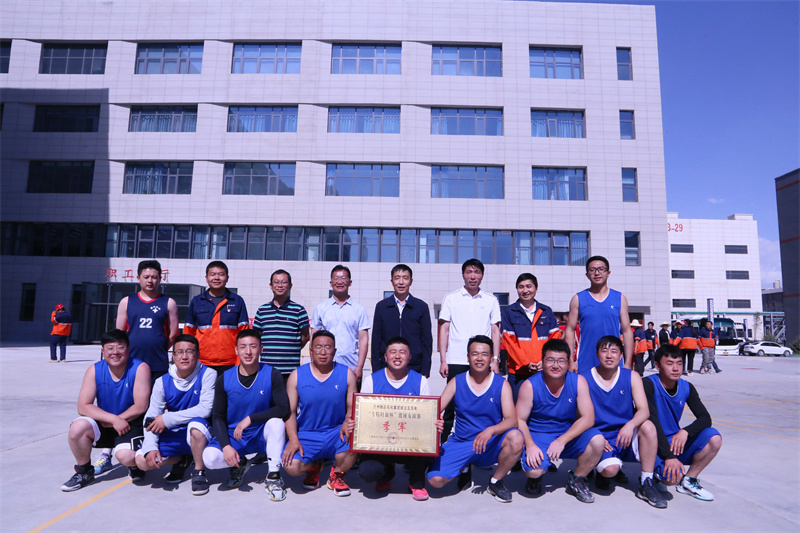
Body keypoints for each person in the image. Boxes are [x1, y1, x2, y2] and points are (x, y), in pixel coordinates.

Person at [427, 335, 522, 503]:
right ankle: (464, 468)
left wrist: (491, 430)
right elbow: (434, 410)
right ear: (467, 357)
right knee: (435, 481)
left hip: (490, 442)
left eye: (484, 354)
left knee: (516, 437)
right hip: (462, 441)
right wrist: (436, 421)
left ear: (491, 358)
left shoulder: (501, 384)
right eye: (474, 354)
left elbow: (511, 420)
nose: (479, 358)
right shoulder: (457, 381)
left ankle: (496, 481)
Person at [202, 329, 290, 500]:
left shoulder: (272, 374)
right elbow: (218, 416)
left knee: (277, 423)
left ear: (261, 349)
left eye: (253, 346)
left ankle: (273, 477)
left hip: (261, 434)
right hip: (235, 435)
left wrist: (251, 418)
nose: (248, 351)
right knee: (210, 459)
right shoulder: (224, 378)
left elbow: (283, 408)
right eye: (243, 347)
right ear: (236, 350)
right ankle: (240, 463)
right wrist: (226, 447)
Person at [515, 339, 604, 503]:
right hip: (539, 434)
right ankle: (535, 477)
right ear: (542, 361)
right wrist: (530, 445)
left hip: (568, 434)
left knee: (597, 440)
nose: (555, 365)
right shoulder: (529, 386)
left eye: (561, 361)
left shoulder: (578, 381)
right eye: (550, 360)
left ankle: (577, 479)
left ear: (568, 362)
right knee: (534, 471)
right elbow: (519, 419)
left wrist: (561, 441)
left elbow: (588, 418)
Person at [61, 329, 151, 491]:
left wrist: (119, 420)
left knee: (126, 456)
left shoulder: (140, 368)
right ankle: (84, 471)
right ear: (103, 351)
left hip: (131, 423)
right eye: (110, 348)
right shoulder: (94, 369)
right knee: (78, 427)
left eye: (120, 347)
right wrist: (113, 420)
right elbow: (83, 406)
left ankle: (134, 465)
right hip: (107, 422)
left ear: (128, 349)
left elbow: (140, 406)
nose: (115, 352)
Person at [583, 336, 667, 508]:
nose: (609, 355)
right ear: (597, 354)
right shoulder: (584, 378)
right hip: (600, 437)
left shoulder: (632, 376)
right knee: (610, 470)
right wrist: (595, 435)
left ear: (621, 355)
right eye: (604, 351)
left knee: (648, 426)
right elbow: (580, 416)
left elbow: (643, 410)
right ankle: (600, 470)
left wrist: (630, 425)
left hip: (625, 434)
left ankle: (646, 482)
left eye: (614, 351)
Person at [135, 334, 215, 495]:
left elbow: (205, 409)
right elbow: (151, 416)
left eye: (189, 351)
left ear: (198, 354)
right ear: (173, 356)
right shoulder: (162, 382)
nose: (184, 356)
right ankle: (181, 459)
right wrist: (151, 447)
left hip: (201, 434)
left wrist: (167, 418)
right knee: (141, 461)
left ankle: (199, 471)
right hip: (176, 434)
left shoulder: (208, 374)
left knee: (196, 426)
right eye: (179, 352)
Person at [282, 330, 359, 497]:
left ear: (335, 351)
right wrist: (293, 439)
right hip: (307, 433)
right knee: (291, 466)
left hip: (336, 432)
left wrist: (347, 421)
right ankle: (314, 467)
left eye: (328, 347)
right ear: (311, 351)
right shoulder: (297, 375)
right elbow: (290, 412)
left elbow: (352, 407)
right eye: (318, 347)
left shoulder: (347, 374)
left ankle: (336, 474)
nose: (323, 352)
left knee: (357, 442)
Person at [357, 336, 433, 501]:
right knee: (369, 471)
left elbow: (426, 418)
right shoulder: (371, 381)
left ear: (409, 357)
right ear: (385, 357)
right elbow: (364, 417)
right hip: (380, 442)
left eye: (402, 352)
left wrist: (434, 423)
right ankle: (385, 475)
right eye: (393, 352)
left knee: (428, 437)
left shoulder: (420, 381)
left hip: (410, 441)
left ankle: (416, 482)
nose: (397, 356)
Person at [645, 344, 722, 501]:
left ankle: (689, 480)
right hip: (650, 441)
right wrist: (669, 456)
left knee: (714, 438)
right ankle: (653, 474)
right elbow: (652, 420)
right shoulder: (648, 384)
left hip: (673, 441)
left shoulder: (687, 387)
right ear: (658, 366)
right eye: (670, 363)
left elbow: (705, 418)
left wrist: (685, 432)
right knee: (671, 478)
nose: (675, 368)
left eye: (679, 363)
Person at [438, 259, 501, 441]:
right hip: (456, 359)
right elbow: (444, 330)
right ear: (463, 275)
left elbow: (495, 331)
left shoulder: (491, 300)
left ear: (482, 275)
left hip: (483, 361)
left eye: (476, 272)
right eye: (469, 272)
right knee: (450, 407)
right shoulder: (451, 298)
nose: (472, 276)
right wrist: (443, 359)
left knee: (485, 404)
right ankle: (444, 446)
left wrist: (495, 359)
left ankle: (485, 443)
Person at [565, 256, 633, 374]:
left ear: (608, 273)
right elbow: (570, 330)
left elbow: (627, 331)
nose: (597, 273)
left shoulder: (619, 298)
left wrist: (628, 363)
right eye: (592, 270)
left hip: (613, 362)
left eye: (601, 269)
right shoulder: (578, 299)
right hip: (586, 362)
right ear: (587, 275)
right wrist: (571, 361)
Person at [500, 273, 561, 401]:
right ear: (517, 289)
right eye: (521, 287)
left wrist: (545, 361)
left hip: (544, 371)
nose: (525, 290)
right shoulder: (509, 312)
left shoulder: (546, 311)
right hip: (518, 374)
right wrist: (526, 363)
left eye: (529, 286)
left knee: (543, 407)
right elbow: (509, 342)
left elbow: (555, 339)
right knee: (518, 409)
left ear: (536, 288)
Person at [116, 259, 179, 379]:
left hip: (158, 362)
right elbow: (119, 333)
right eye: (146, 277)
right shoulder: (126, 302)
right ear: (138, 278)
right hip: (132, 361)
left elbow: (173, 334)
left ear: (160, 279)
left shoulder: (169, 303)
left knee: (156, 391)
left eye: (154, 277)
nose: (150, 281)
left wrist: (158, 348)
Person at [184, 261, 250, 374]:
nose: (216, 278)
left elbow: (244, 334)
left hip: (230, 363)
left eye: (221, 274)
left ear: (227, 278)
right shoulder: (197, 301)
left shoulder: (237, 301)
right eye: (213, 274)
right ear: (206, 278)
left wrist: (239, 361)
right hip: (202, 362)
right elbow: (188, 334)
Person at [371, 264, 433, 378]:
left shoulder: (421, 307)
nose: (401, 282)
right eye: (397, 278)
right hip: (386, 367)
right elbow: (376, 340)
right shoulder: (382, 307)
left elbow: (427, 341)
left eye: (405, 278)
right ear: (392, 281)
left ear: (411, 281)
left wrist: (425, 370)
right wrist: (376, 370)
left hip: (415, 367)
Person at [310, 265, 370, 381]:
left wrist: (359, 367)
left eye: (343, 278)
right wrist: (313, 362)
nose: (339, 282)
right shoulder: (321, 308)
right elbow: (313, 337)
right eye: (336, 278)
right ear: (331, 283)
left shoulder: (359, 309)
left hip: (351, 366)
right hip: (325, 366)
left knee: (350, 393)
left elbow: (363, 339)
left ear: (350, 282)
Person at [253, 269, 310, 380]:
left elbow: (306, 336)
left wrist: (291, 347)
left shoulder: (299, 310)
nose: (280, 285)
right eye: (276, 282)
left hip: (290, 371)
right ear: (271, 286)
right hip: (266, 369)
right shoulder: (262, 310)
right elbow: (256, 337)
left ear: (290, 286)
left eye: (284, 282)